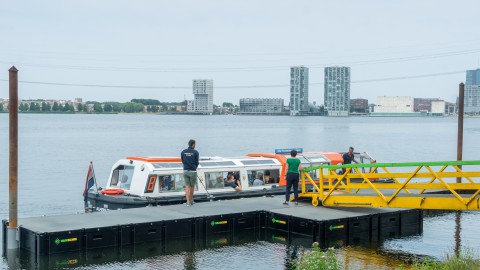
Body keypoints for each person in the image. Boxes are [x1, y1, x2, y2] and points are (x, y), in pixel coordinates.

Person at [181, 139, 199, 206]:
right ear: (193, 144)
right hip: (193, 171)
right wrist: (194, 167)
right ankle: (191, 200)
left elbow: (182, 161)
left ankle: (187, 202)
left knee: (187, 186)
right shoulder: (196, 152)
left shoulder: (183, 152)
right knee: (192, 186)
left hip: (185, 171)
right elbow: (197, 162)